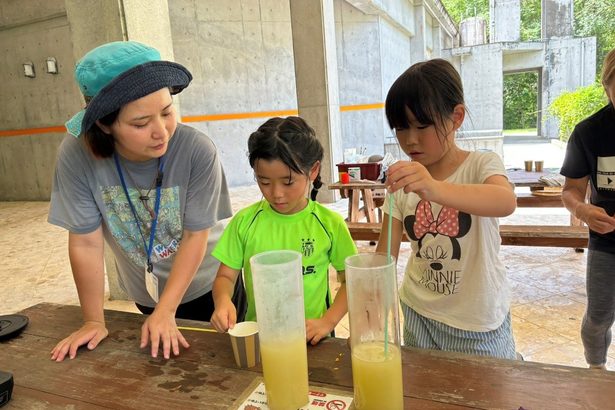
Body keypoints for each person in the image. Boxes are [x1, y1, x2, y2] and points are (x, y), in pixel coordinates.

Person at [48, 41, 245, 361]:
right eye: (141, 123)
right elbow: (85, 242)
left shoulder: (196, 149)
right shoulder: (76, 155)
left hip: (209, 285)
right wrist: (93, 320)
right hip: (145, 294)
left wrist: (167, 310)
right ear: (103, 123)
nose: (161, 132)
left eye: (167, 112)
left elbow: (196, 235)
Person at [377, 59, 518, 359]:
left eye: (422, 125)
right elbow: (383, 257)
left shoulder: (481, 164)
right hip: (418, 313)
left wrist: (434, 188)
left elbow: (505, 201)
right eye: (401, 128)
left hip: (477, 322)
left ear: (456, 117)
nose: (410, 139)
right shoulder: (403, 181)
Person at [210, 116, 357, 345]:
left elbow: (352, 281)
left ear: (313, 170)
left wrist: (328, 322)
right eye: (264, 182)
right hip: (262, 338)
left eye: (288, 182)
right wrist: (222, 301)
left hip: (313, 338)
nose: (276, 193)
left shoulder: (329, 224)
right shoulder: (244, 222)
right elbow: (226, 276)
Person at [560, 48, 615, 370]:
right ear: (606, 86)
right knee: (598, 318)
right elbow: (570, 191)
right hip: (606, 244)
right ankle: (596, 373)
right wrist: (582, 211)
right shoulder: (589, 132)